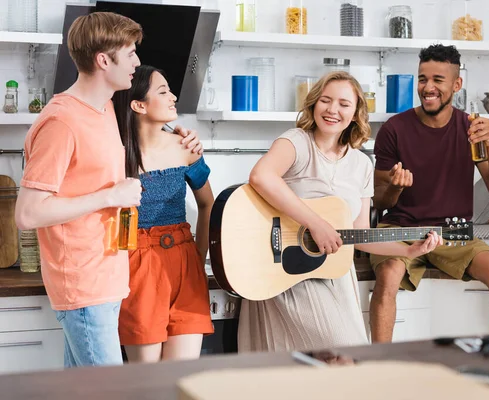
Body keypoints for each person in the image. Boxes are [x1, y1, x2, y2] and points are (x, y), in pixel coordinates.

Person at [14, 12, 202, 368]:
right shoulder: (61, 121)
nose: (137, 61)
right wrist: (109, 197)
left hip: (110, 279)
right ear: (103, 60)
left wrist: (182, 136)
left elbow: (146, 127)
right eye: (130, 53)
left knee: (81, 391)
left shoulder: (102, 112)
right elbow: (28, 213)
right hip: (83, 285)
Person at [237, 71, 443, 352]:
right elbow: (261, 176)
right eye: (325, 100)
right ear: (313, 104)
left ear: (357, 113)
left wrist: (408, 251)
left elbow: (360, 235)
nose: (333, 110)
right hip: (286, 272)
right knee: (343, 355)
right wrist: (315, 224)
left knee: (324, 371)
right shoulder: (296, 142)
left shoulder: (361, 164)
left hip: (336, 276)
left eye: (344, 104)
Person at [369, 44, 489, 343]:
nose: (428, 87)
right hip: (401, 230)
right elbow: (380, 202)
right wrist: (395, 187)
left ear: (456, 84)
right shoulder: (394, 129)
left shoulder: (472, 129)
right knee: (388, 273)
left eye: (438, 79)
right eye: (423, 79)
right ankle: (378, 367)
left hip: (455, 233)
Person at [112, 65, 214, 363]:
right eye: (163, 91)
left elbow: (209, 204)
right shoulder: (114, 153)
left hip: (184, 264)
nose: (173, 97)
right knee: (148, 382)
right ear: (138, 104)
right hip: (135, 265)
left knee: (180, 377)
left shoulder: (186, 148)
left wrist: (198, 255)